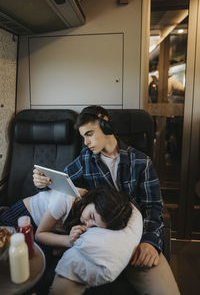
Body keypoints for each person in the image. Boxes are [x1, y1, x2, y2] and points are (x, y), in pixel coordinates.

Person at [33, 105, 180, 295]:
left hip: (133, 235)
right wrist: (43, 181)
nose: (85, 142)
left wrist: (150, 243)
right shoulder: (86, 159)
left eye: (89, 134)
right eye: (83, 137)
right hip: (97, 235)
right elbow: (62, 180)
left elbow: (154, 209)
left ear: (106, 127)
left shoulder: (141, 163)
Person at [0, 186, 132, 249]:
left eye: (96, 226)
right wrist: (69, 240)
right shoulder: (65, 199)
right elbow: (39, 235)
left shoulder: (88, 213)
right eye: (91, 216)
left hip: (44, 228)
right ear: (93, 199)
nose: (89, 224)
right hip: (21, 218)